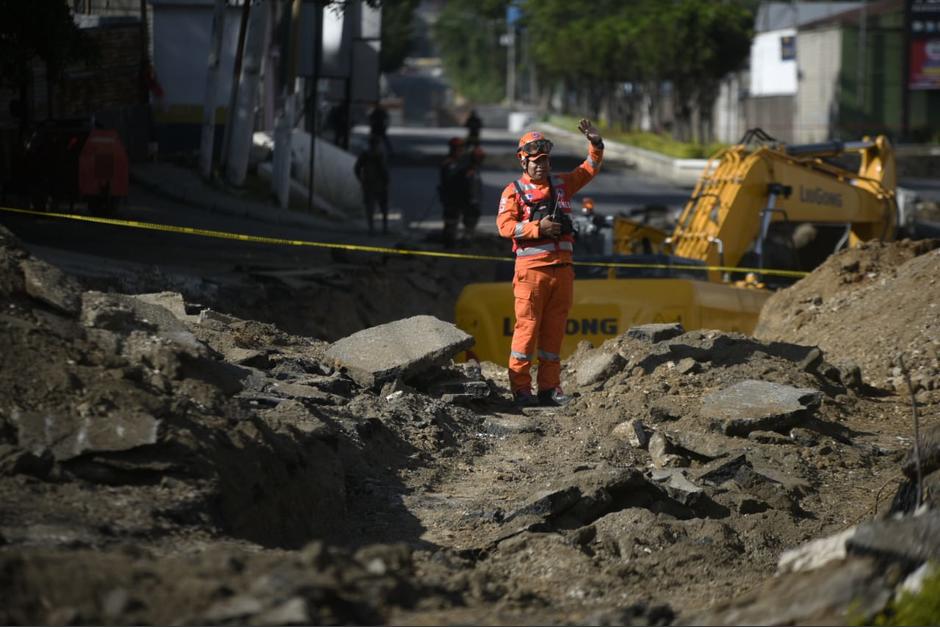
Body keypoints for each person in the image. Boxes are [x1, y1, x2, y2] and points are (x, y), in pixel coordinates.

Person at [496, 119, 604, 407]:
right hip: (532, 273)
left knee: (554, 331)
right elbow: (505, 227)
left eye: (545, 160)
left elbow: (588, 170)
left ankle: (550, 388)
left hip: (563, 271)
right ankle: (521, 389)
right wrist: (537, 228)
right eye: (535, 161)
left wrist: (596, 144)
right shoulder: (514, 191)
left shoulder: (562, 185)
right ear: (523, 162)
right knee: (527, 330)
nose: (541, 165)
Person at [354, 135, 389, 234]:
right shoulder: (379, 155)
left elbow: (357, 168)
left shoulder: (366, 154)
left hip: (370, 184)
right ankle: (382, 228)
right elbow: (384, 170)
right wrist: (386, 181)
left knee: (371, 207)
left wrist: (361, 180)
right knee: (382, 206)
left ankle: (373, 228)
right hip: (378, 184)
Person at [439, 137, 470, 248]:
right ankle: (449, 242)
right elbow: (449, 180)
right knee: (451, 220)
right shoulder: (449, 164)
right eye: (458, 149)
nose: (460, 151)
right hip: (451, 197)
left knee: (458, 219)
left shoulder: (461, 162)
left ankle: (453, 240)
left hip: (460, 197)